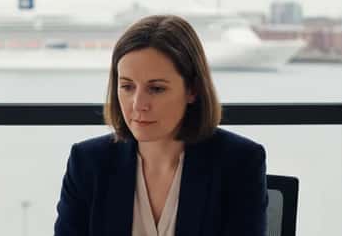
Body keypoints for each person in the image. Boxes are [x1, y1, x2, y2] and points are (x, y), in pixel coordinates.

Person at [54, 14, 268, 236]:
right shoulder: (88, 162)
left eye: (156, 89)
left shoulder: (239, 161)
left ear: (192, 90)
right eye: (127, 87)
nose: (138, 105)